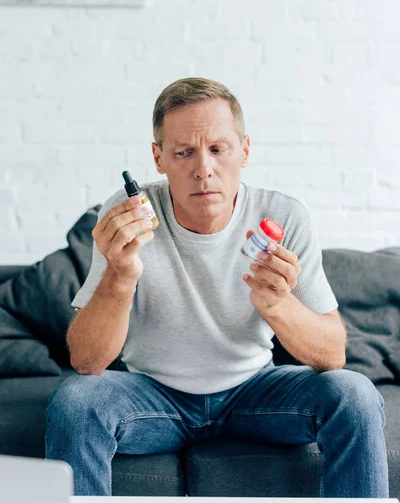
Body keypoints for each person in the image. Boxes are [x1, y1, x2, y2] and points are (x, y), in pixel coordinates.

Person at [45, 77, 388, 497]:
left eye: (218, 149)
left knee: (354, 394)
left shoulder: (284, 215)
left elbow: (333, 353)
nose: (203, 168)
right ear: (159, 158)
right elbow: (86, 361)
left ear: (244, 150)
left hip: (255, 392)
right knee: (76, 402)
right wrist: (120, 277)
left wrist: (278, 306)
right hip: (153, 396)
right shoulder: (132, 213)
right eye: (183, 152)